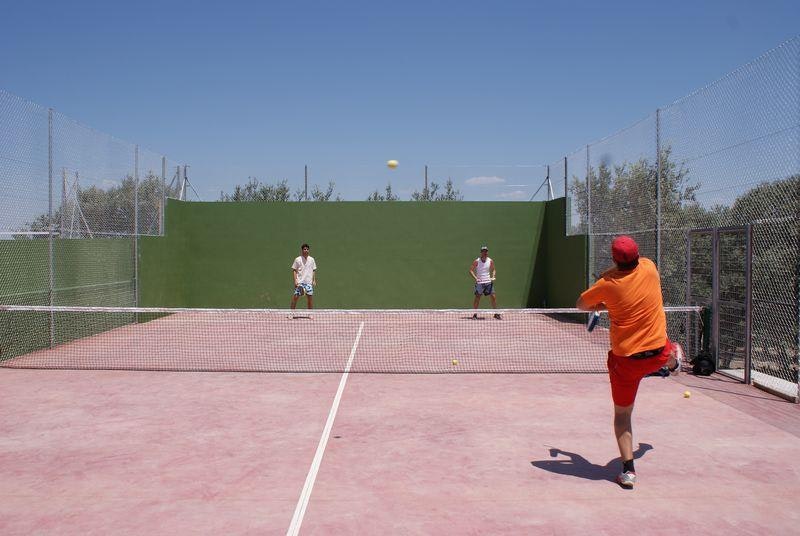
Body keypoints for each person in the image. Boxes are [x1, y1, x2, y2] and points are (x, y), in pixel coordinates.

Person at [576, 235, 683, 489]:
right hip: (657, 352)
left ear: (614, 260)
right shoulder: (649, 267)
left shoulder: (606, 283)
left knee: (623, 416)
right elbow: (629, 269)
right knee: (667, 351)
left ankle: (628, 472)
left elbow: (581, 304)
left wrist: (603, 302)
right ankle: (672, 363)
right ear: (638, 255)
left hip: (626, 362)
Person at [469, 246, 501, 320]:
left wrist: (493, 275)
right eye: (483, 251)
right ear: (481, 252)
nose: (485, 252)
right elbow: (471, 270)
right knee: (477, 298)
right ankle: (475, 314)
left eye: (486, 251)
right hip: (480, 283)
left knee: (493, 297)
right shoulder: (477, 261)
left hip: (488, 282)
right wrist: (476, 278)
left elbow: (494, 270)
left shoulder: (490, 261)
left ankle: (496, 313)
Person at [290, 243, 317, 310]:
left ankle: (309, 313)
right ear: (302, 250)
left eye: (307, 249)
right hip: (300, 282)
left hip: (308, 282)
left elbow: (313, 270)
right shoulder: (297, 259)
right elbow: (294, 270)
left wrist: (314, 280)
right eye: (304, 249)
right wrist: (295, 280)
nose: (306, 250)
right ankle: (291, 313)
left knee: (310, 299)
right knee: (295, 297)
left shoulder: (312, 259)